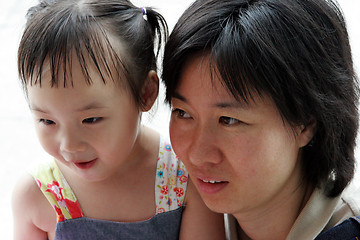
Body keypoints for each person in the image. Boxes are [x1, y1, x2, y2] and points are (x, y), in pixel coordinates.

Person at [12, 0, 225, 239]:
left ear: (146, 93)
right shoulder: (37, 196)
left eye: (91, 119)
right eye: (47, 121)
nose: (69, 145)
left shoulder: (183, 179)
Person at [162, 0, 360, 239]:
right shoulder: (171, 214)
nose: (196, 155)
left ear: (306, 123)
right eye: (183, 113)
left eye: (229, 120)